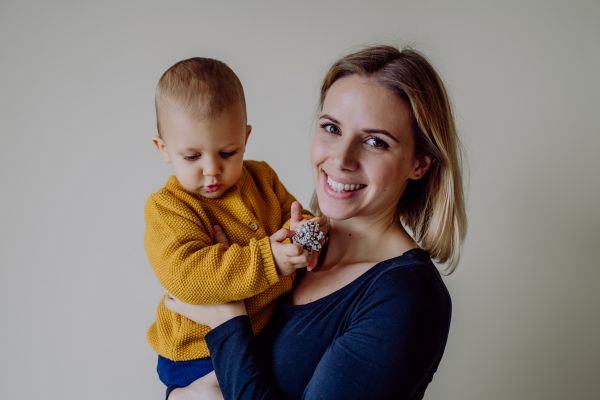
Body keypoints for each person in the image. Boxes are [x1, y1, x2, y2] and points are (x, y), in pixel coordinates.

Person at [163, 45, 467, 400]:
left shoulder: (409, 297)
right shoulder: (284, 243)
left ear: (420, 164)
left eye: (374, 141)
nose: (340, 159)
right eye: (331, 128)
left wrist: (228, 321)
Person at [145, 57, 325, 398]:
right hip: (197, 352)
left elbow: (291, 218)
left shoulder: (262, 177)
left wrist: (302, 234)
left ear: (245, 137)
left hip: (258, 338)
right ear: (164, 149)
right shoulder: (168, 208)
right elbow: (187, 276)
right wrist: (270, 258)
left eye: (227, 152)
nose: (212, 170)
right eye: (192, 157)